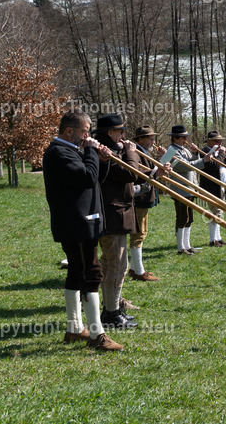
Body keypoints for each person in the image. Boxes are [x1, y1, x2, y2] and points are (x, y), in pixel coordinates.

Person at [42, 110, 122, 351]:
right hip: (76, 223)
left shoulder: (70, 151)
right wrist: (91, 152)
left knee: (77, 272)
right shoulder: (59, 152)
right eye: (85, 131)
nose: (88, 136)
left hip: (84, 219)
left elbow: (95, 179)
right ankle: (97, 334)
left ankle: (75, 328)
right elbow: (87, 177)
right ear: (69, 131)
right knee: (91, 273)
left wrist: (103, 160)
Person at [94, 114, 141, 330]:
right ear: (109, 133)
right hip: (111, 216)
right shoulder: (104, 152)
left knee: (119, 264)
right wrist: (131, 151)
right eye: (120, 131)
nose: (123, 135)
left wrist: (157, 172)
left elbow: (136, 174)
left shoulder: (115, 151)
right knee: (115, 264)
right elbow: (129, 172)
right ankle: (110, 313)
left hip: (118, 215)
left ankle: (114, 308)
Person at [128, 126, 168, 282]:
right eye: (150, 138)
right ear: (140, 139)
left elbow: (153, 171)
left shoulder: (145, 152)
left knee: (141, 233)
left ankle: (135, 268)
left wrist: (164, 159)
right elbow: (136, 175)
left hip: (144, 196)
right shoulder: (135, 153)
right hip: (139, 197)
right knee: (138, 234)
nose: (153, 141)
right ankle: (138, 271)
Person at [169, 125, 206, 254]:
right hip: (180, 189)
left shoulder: (184, 150)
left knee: (189, 218)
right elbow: (183, 166)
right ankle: (181, 248)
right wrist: (203, 161)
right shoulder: (172, 150)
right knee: (182, 218)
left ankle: (187, 245)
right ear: (176, 138)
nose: (186, 140)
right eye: (184, 137)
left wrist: (196, 153)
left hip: (189, 188)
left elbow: (192, 162)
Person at [198, 130, 226, 247]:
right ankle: (213, 240)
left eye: (221, 141)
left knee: (219, 213)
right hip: (210, 187)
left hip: (221, 186)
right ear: (209, 141)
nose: (220, 144)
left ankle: (218, 237)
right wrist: (222, 154)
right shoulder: (204, 152)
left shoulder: (219, 152)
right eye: (217, 141)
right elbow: (214, 166)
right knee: (216, 213)